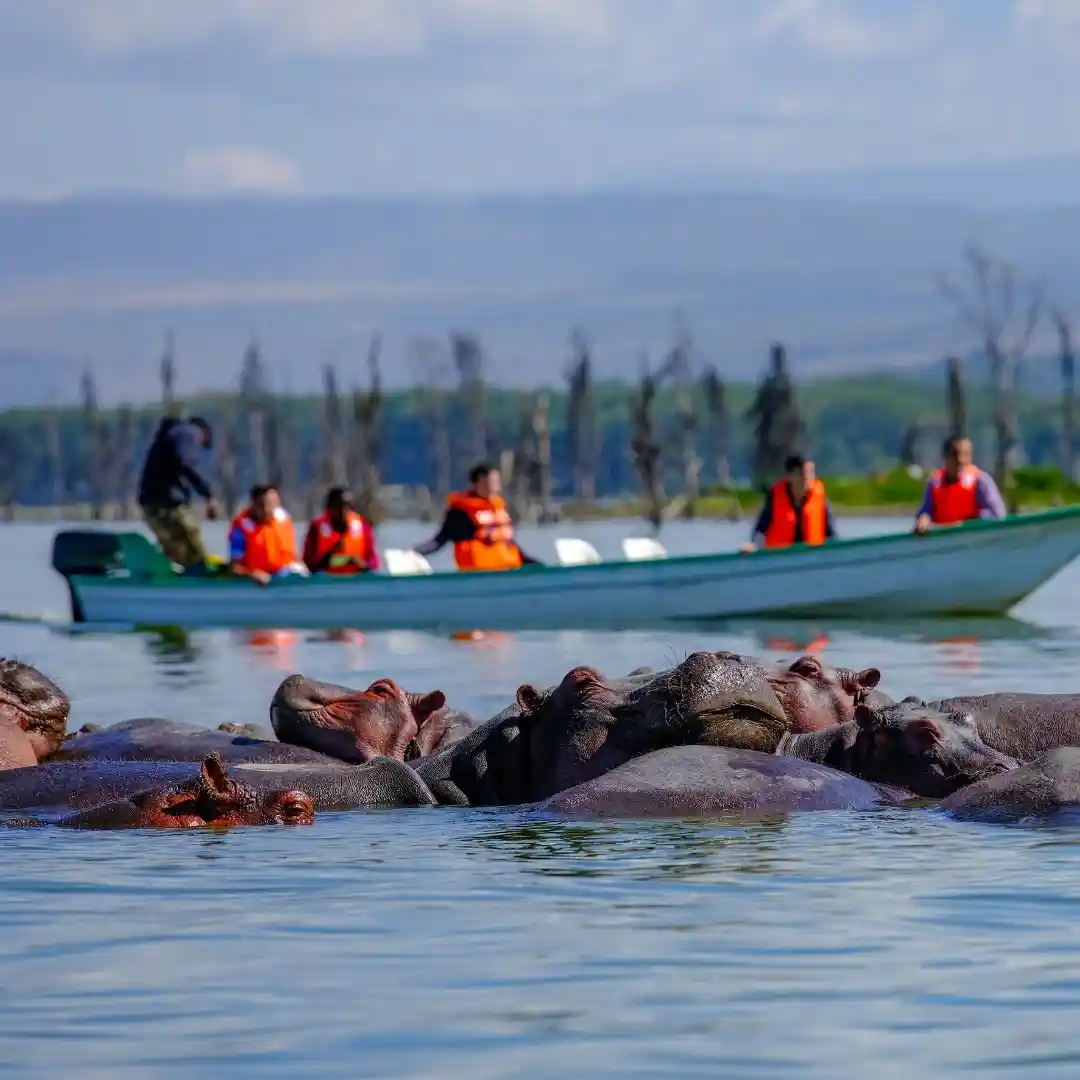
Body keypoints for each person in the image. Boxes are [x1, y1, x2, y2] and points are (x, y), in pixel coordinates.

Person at [414, 462, 541, 571]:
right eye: (487, 483)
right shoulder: (460, 513)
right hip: (480, 575)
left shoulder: (498, 508)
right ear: (474, 484)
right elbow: (439, 540)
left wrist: (536, 565)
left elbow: (509, 544)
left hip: (508, 569)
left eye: (495, 483)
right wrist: (415, 553)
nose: (493, 487)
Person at [137, 416, 220, 569]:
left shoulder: (170, 435)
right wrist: (207, 494)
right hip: (169, 503)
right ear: (205, 433)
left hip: (150, 505)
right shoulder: (190, 432)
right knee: (193, 547)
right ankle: (201, 578)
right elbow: (186, 464)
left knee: (176, 552)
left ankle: (185, 580)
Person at [741, 454, 837, 553]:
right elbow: (760, 530)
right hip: (781, 558)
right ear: (789, 476)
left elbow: (832, 536)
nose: (808, 478)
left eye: (811, 473)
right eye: (803, 473)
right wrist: (753, 546)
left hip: (812, 558)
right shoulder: (775, 498)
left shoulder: (820, 498)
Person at [914, 436, 1006, 535]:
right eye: (955, 455)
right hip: (945, 540)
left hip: (974, 537)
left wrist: (971, 521)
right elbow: (926, 511)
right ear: (945, 456)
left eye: (966, 455)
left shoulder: (981, 481)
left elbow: (998, 515)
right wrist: (923, 519)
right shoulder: (934, 483)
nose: (960, 460)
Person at [228, 485, 301, 586]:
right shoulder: (241, 528)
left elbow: (294, 554)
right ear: (254, 505)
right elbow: (234, 567)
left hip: (285, 577)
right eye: (264, 505)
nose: (268, 510)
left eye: (273, 504)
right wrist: (253, 574)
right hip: (257, 582)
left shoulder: (283, 521)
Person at [303, 486, 380, 575]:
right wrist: (345, 560)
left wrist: (364, 565)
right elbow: (310, 561)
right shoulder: (317, 527)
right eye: (339, 506)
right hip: (328, 582)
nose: (344, 510)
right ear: (329, 507)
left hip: (356, 581)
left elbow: (373, 560)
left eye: (348, 506)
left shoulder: (363, 526)